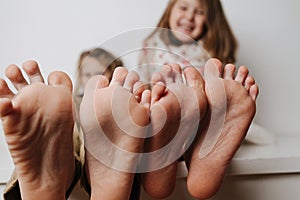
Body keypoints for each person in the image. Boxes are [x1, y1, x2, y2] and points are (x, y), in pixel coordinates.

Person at [0, 58, 258, 200]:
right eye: (89, 75)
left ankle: (59, 176)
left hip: (110, 129)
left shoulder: (130, 105)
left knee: (136, 126)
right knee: (114, 135)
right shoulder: (67, 109)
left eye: (105, 74)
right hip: (78, 128)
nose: (96, 82)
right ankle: (183, 144)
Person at [138, 0, 237, 82]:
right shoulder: (151, 47)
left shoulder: (212, 54)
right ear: (170, 10)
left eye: (200, 12)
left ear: (211, 20)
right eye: (183, 8)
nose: (190, 17)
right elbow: (143, 83)